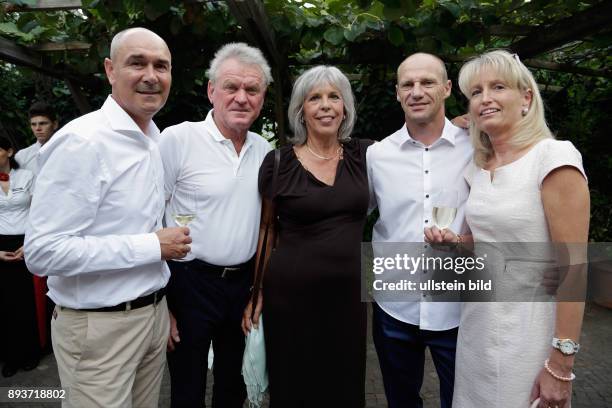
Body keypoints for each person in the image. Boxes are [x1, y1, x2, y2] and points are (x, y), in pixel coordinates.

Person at [24, 27, 191, 408]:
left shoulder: (152, 136)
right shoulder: (83, 142)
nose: (151, 75)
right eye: (137, 63)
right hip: (98, 328)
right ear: (110, 70)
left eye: (161, 66)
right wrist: (153, 245)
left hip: (149, 316)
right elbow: (43, 253)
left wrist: (160, 309)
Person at [425, 49, 589, 408]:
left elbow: (574, 269)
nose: (485, 99)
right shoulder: (480, 168)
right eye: (476, 92)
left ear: (526, 98)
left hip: (528, 335)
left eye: (498, 87)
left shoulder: (553, 159)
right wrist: (455, 242)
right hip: (477, 332)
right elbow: (489, 245)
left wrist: (561, 365)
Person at [243, 65, 372, 407]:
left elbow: (416, 148)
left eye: (334, 97)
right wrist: (256, 293)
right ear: (302, 109)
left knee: (344, 384)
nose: (326, 105)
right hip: (290, 298)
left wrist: (461, 124)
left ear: (345, 107)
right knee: (294, 385)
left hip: (348, 298)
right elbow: (267, 229)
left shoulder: (366, 155)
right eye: (315, 98)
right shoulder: (278, 162)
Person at [159, 42, 272, 408]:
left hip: (240, 285)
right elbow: (147, 216)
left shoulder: (264, 150)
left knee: (231, 386)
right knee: (187, 388)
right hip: (187, 283)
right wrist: (162, 302)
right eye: (231, 87)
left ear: (262, 96)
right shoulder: (177, 139)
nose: (241, 98)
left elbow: (266, 225)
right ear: (211, 91)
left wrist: (257, 288)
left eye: (252, 90)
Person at [366, 53, 473, 408]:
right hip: (395, 309)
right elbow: (348, 212)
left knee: (462, 401)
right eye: (407, 84)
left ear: (446, 88)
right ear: (397, 93)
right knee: (400, 401)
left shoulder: (477, 147)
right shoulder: (377, 156)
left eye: (427, 82)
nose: (416, 91)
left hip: (459, 311)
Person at [0, 134, 40, 377]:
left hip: (26, 241)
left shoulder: (27, 176)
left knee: (28, 301)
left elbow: (40, 212)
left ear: (9, 152)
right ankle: (9, 356)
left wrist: (31, 243)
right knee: (4, 301)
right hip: (0, 242)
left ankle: (32, 351)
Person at [15, 101, 59, 176]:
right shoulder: (22, 156)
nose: (37, 128)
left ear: (55, 125)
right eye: (33, 124)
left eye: (43, 123)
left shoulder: (67, 148)